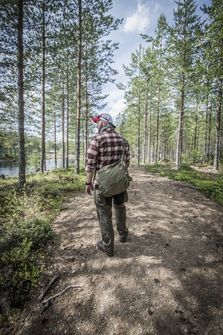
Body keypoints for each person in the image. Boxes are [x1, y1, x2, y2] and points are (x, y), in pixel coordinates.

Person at [85, 113, 130, 257]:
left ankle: (108, 247)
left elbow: (90, 165)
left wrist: (88, 182)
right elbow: (126, 163)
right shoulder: (123, 140)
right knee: (120, 208)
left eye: (97, 122)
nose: (96, 124)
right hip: (120, 184)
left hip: (102, 185)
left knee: (104, 215)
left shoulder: (97, 140)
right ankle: (123, 235)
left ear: (104, 123)